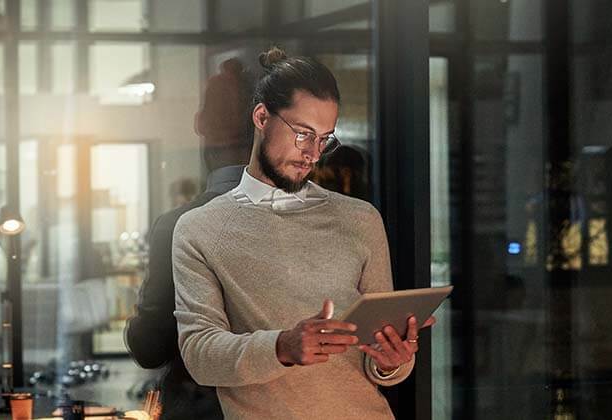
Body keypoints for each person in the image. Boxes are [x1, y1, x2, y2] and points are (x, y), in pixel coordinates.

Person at [171, 46, 435, 420]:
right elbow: (200, 354)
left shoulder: (360, 219)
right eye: (303, 134)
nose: (313, 153)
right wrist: (282, 346)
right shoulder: (200, 229)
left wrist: (393, 361)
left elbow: (385, 368)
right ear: (262, 116)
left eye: (325, 139)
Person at [124, 58, 253, 419]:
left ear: (201, 127)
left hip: (206, 408)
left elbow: (150, 346)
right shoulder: (307, 218)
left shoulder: (180, 226)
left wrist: (137, 322)